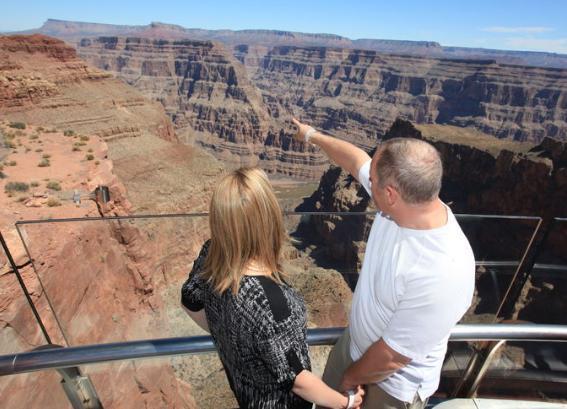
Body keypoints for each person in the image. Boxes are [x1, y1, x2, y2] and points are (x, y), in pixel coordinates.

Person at [292, 119, 475, 409]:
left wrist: (350, 378)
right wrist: (311, 135)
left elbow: (393, 356)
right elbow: (355, 161)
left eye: (373, 181)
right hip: (353, 346)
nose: (366, 182)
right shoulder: (406, 200)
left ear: (390, 194)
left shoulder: (445, 271)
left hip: (392, 388)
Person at [181, 167, 364, 409]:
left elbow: (189, 301)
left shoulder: (211, 254)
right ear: (267, 218)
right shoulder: (273, 303)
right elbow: (298, 380)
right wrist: (346, 402)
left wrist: (228, 335)